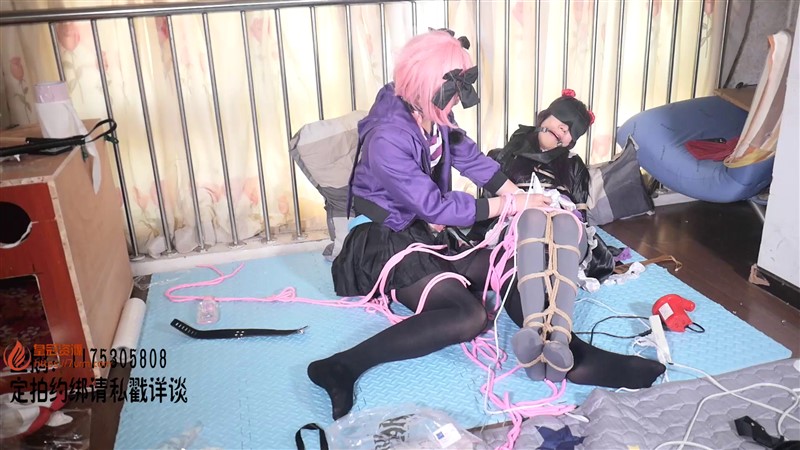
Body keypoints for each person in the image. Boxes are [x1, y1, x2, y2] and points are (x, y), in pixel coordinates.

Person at [307, 30, 665, 421]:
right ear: (429, 84)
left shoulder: (429, 110)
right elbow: (434, 205)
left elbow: (469, 157)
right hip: (382, 241)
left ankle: (567, 350)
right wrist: (511, 203)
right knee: (468, 315)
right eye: (456, 88)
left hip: (424, 232)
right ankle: (341, 365)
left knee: (508, 263)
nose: (460, 97)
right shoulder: (386, 138)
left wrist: (523, 196)